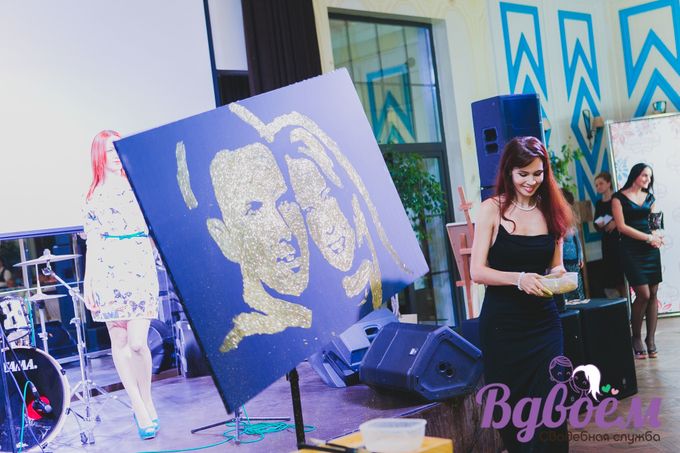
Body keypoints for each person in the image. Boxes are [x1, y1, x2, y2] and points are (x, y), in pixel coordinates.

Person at [471, 136, 571, 452]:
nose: (531, 181)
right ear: (509, 172)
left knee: (552, 406)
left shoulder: (552, 210)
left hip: (544, 325)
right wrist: (519, 279)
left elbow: (555, 265)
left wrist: (559, 275)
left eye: (537, 173)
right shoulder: (491, 209)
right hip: (503, 327)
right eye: (523, 174)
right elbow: (477, 271)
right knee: (513, 411)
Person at [82, 130, 160, 439]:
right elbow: (93, 243)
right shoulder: (94, 196)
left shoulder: (140, 186)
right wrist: (88, 282)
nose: (116, 155)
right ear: (99, 155)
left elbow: (154, 228)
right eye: (109, 150)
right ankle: (139, 407)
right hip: (108, 270)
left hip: (139, 264)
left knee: (138, 342)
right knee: (120, 340)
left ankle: (147, 399)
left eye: (118, 149)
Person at [611, 163, 662, 359]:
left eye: (650, 176)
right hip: (631, 250)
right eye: (644, 175)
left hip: (650, 251)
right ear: (635, 175)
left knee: (653, 293)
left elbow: (654, 223)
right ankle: (636, 338)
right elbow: (621, 227)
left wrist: (656, 237)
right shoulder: (618, 198)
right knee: (643, 294)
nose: (648, 179)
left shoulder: (650, 198)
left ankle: (651, 340)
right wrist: (648, 237)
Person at [593, 171, 626, 298]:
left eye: (601, 183)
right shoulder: (599, 203)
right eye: (596, 185)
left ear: (608, 183)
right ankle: (621, 303)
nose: (598, 187)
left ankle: (627, 300)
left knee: (621, 273)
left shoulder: (617, 199)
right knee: (612, 275)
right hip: (607, 242)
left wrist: (616, 223)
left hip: (619, 240)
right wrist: (600, 224)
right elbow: (596, 223)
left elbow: (627, 216)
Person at [560, 189, 585, 301]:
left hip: (573, 260)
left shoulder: (571, 220)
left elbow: (577, 241)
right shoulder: (556, 220)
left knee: (576, 286)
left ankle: (580, 303)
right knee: (565, 289)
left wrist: (580, 256)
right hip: (562, 261)